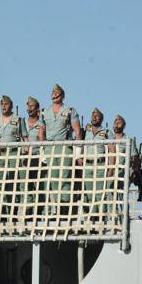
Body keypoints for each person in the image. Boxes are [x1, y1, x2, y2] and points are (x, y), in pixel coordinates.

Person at [42, 84, 81, 217]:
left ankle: (65, 209)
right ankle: (58, 207)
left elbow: (77, 130)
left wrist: (78, 152)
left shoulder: (69, 110)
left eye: (57, 93)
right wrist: (43, 148)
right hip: (50, 148)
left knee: (64, 178)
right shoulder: (45, 111)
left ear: (62, 96)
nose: (55, 95)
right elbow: (42, 130)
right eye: (53, 93)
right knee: (53, 179)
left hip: (65, 147)